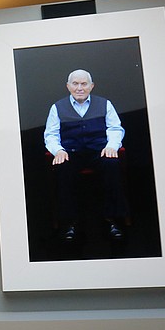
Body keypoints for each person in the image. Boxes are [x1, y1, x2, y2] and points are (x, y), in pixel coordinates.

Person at [43, 69, 128, 241]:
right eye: (75, 84)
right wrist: (58, 150)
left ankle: (112, 220)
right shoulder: (57, 107)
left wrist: (112, 146)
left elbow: (115, 128)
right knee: (62, 168)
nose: (79, 88)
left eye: (84, 84)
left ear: (91, 86)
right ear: (68, 86)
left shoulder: (105, 104)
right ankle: (69, 223)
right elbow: (51, 134)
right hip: (71, 153)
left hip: (99, 151)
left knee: (112, 165)